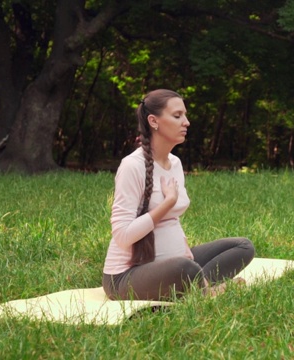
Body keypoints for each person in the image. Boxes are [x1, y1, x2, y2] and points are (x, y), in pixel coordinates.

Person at [102, 89, 255, 301]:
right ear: (154, 121)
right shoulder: (132, 166)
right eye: (177, 116)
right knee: (185, 268)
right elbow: (122, 235)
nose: (187, 122)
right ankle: (203, 288)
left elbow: (172, 220)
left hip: (175, 263)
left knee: (243, 246)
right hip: (125, 277)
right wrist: (167, 203)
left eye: (184, 115)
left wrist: (183, 248)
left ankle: (199, 285)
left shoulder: (175, 163)